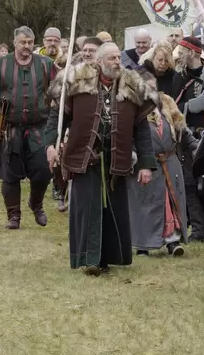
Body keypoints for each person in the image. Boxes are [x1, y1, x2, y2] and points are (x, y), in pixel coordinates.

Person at [45, 42, 157, 275]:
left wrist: (146, 164)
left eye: (118, 58)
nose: (117, 62)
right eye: (112, 58)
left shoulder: (131, 84)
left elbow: (142, 129)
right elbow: (58, 117)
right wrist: (50, 145)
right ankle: (89, 260)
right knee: (88, 208)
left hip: (117, 159)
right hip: (84, 157)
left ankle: (106, 259)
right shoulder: (77, 81)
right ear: (99, 61)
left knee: (112, 210)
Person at [0, 26, 58, 229]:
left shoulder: (47, 65)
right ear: (14, 43)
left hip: (40, 128)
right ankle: (14, 216)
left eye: (30, 42)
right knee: (10, 174)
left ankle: (36, 204)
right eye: (23, 42)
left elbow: (58, 94)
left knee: (43, 170)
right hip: (9, 129)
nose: (27, 46)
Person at [128, 92, 195, 258]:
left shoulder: (166, 103)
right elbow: (126, 136)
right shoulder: (132, 107)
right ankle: (142, 245)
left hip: (170, 163)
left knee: (170, 202)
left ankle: (173, 241)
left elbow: (182, 130)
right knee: (144, 206)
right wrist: (133, 154)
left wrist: (195, 146)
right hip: (145, 166)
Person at [172, 36, 204, 242]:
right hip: (187, 134)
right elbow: (172, 108)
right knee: (190, 184)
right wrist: (189, 106)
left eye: (182, 51)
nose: (179, 55)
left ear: (192, 52)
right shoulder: (179, 77)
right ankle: (198, 230)